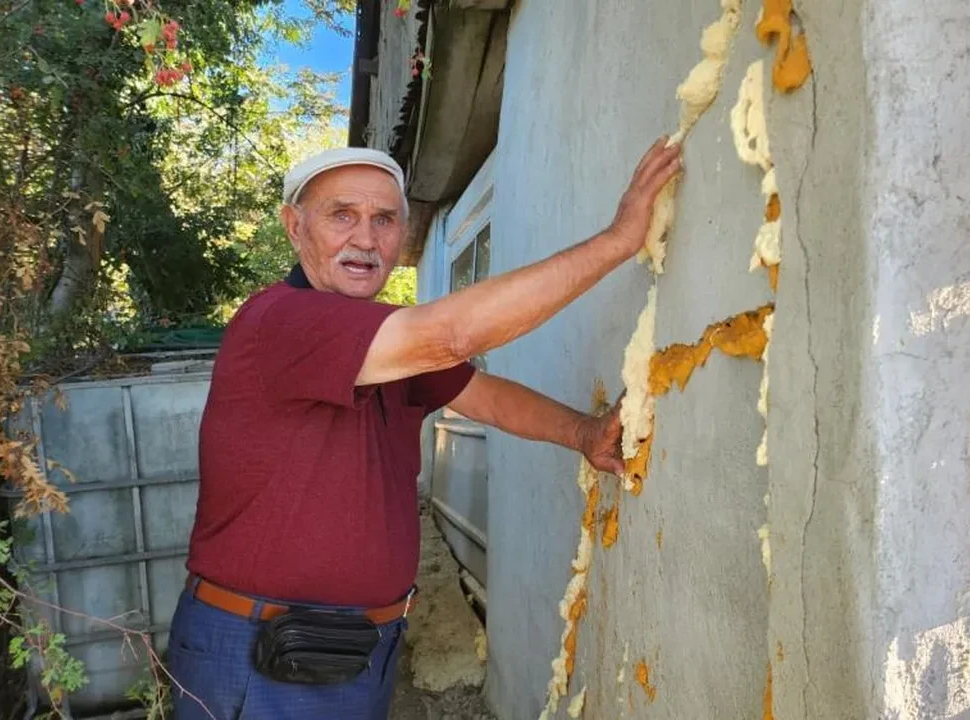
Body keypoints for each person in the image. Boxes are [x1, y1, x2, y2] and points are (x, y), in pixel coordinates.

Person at [165, 135, 683, 719]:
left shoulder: (380, 343)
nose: (365, 238)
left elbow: (483, 395)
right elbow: (451, 335)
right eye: (343, 216)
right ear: (293, 227)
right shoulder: (283, 320)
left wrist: (584, 434)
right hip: (264, 654)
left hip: (355, 650)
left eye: (384, 220)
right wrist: (618, 241)